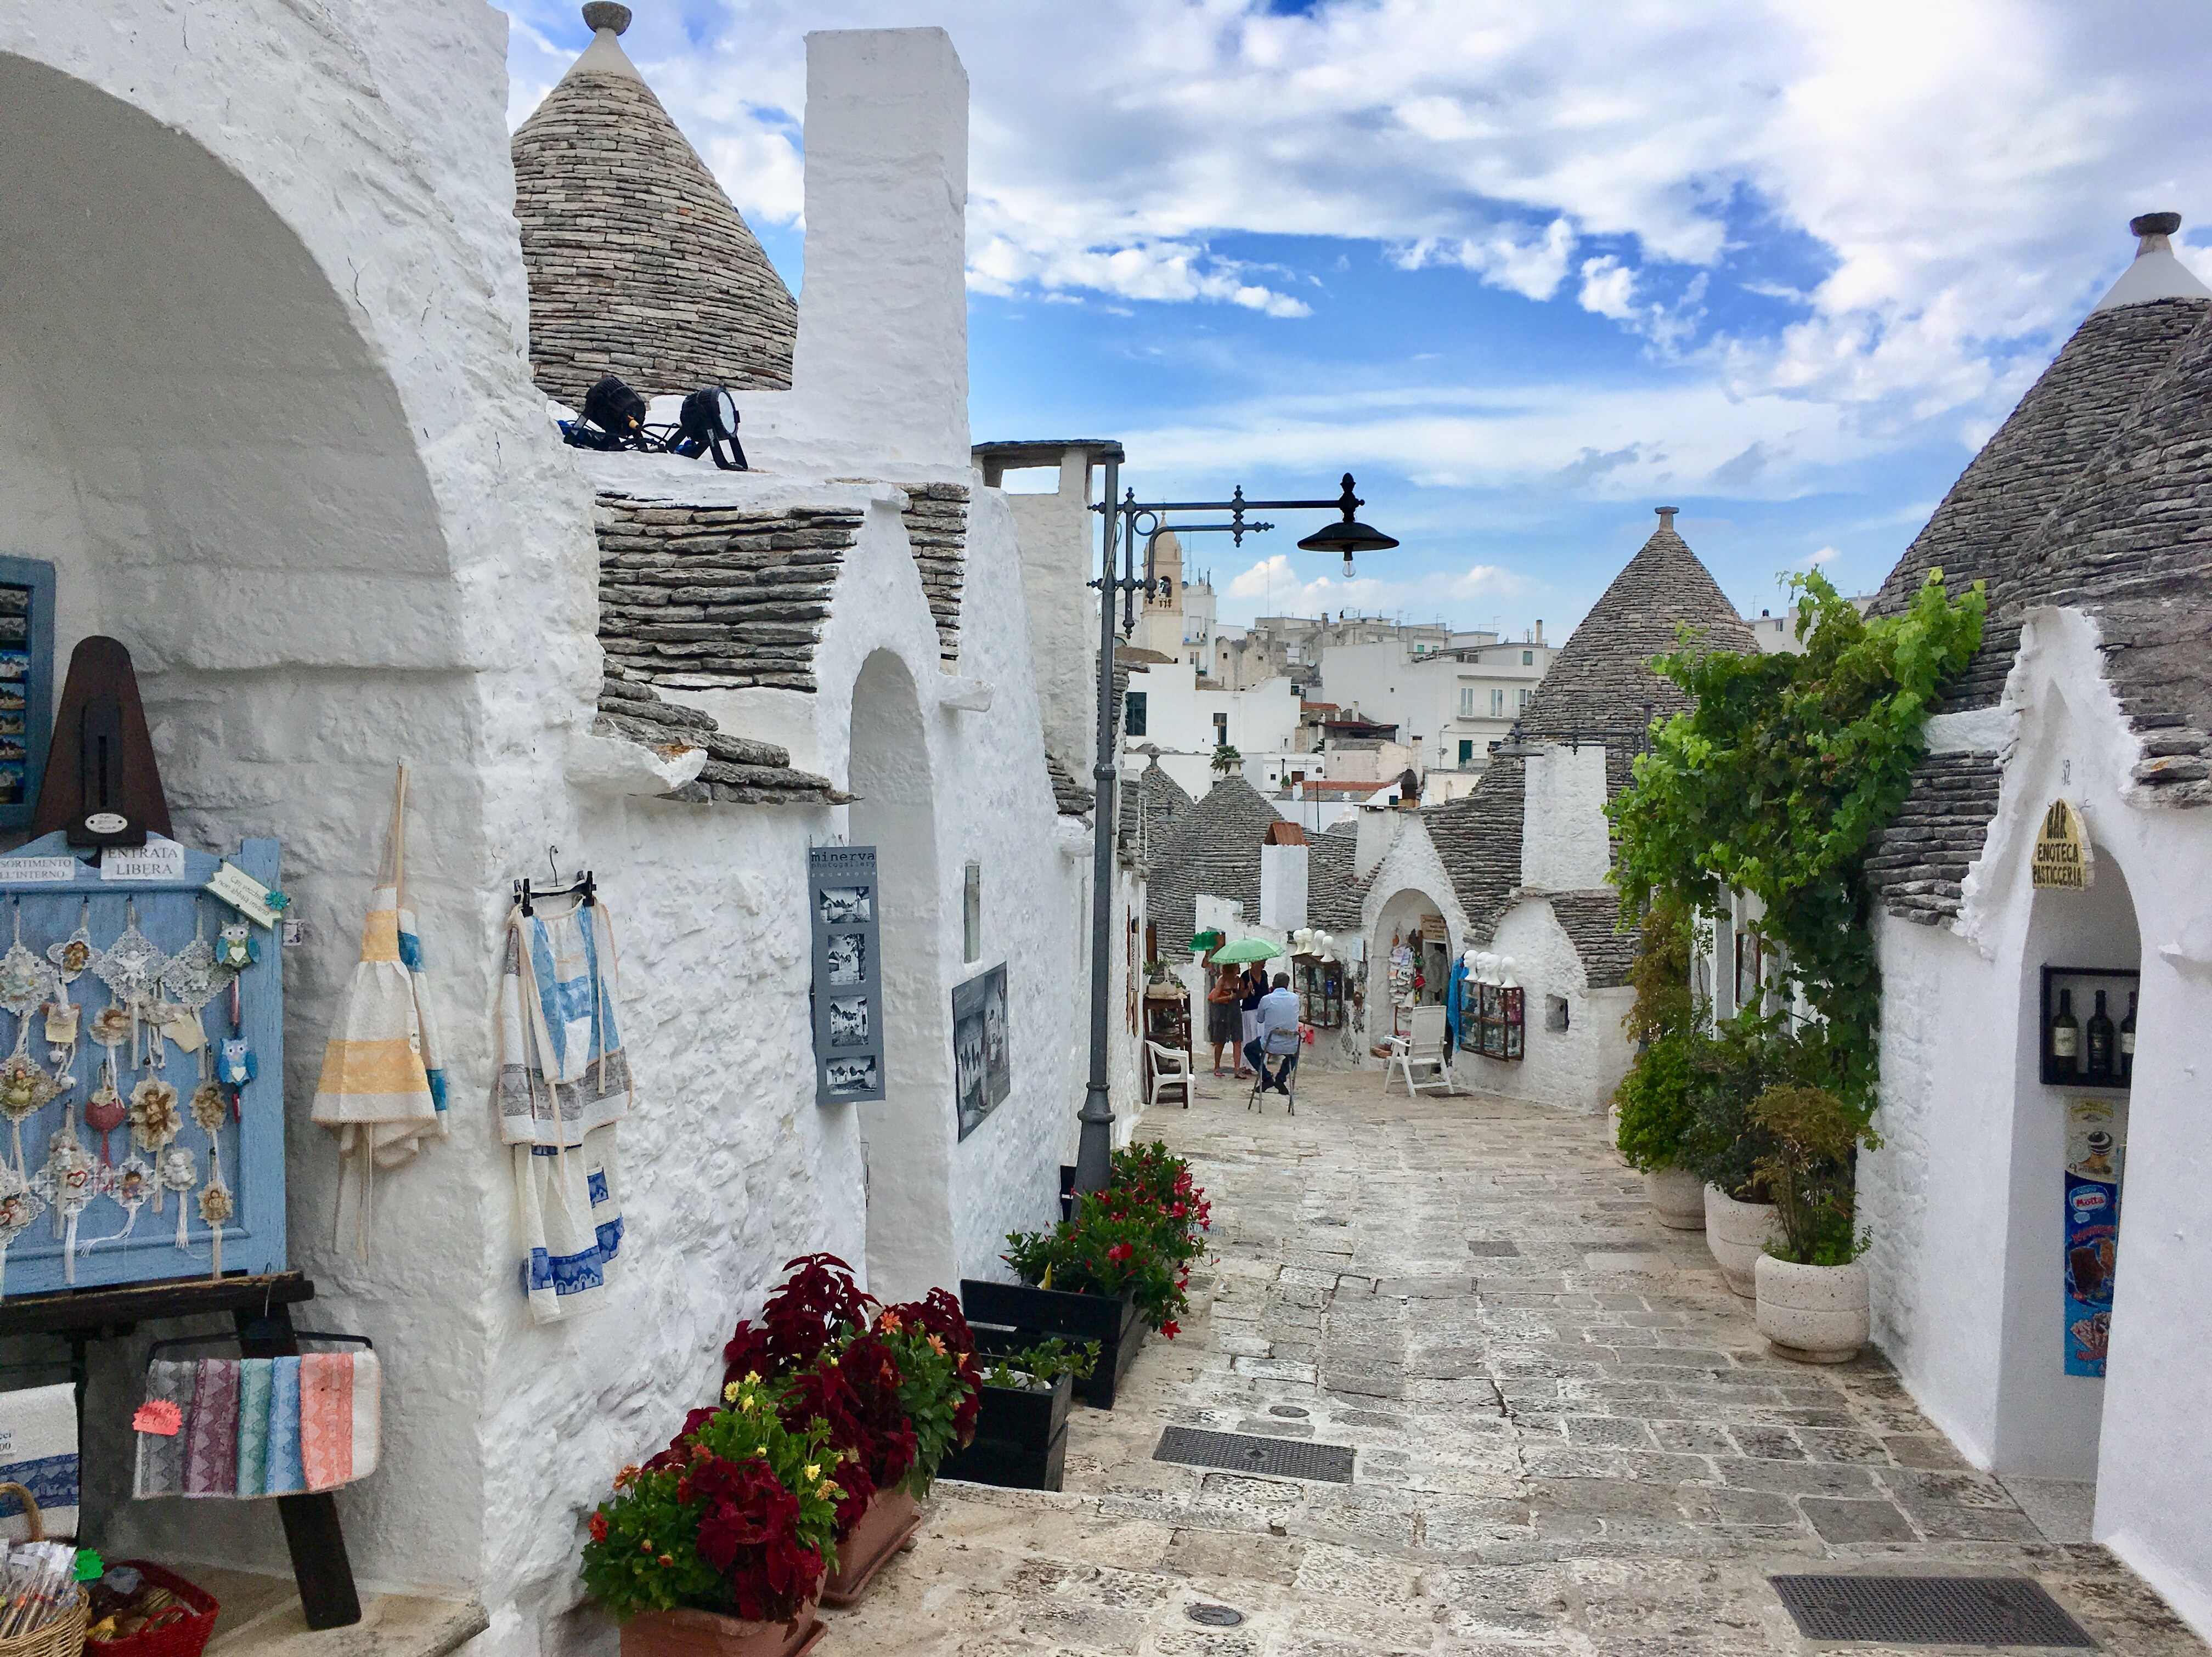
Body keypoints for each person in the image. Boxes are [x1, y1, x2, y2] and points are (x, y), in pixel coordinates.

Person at [1244, 971, 1302, 1093]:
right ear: (1287, 985)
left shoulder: (1267, 999)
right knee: (1294, 1054)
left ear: (1273, 984)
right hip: (1291, 1044)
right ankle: (1281, 1078)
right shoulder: (1295, 998)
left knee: (1249, 1049)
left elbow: (1260, 1020)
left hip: (1270, 1044)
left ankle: (1266, 1077)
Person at [1205, 963, 1244, 1077]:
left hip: (1235, 1010)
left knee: (1237, 1040)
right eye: (1237, 967)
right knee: (1221, 1040)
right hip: (1223, 1011)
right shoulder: (1222, 980)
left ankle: (1237, 1070)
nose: (1240, 969)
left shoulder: (1238, 980)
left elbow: (1240, 995)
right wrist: (1229, 997)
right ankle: (1217, 1067)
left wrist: (1247, 989)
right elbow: (1215, 999)